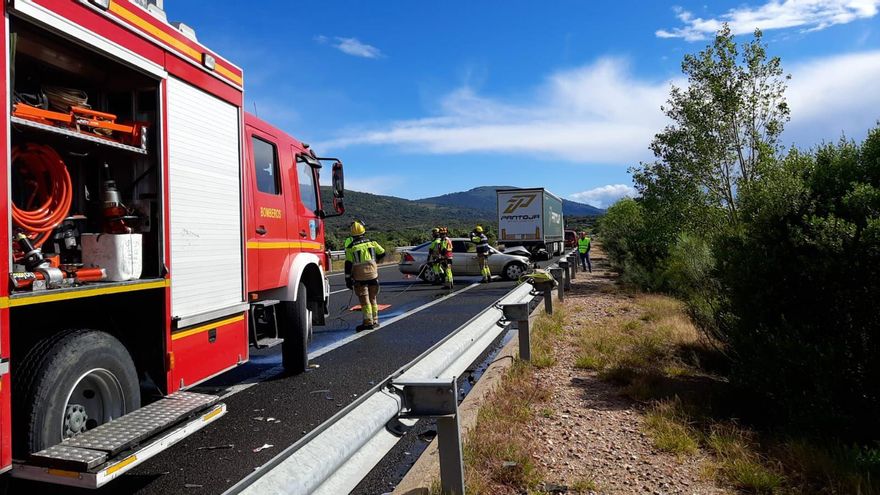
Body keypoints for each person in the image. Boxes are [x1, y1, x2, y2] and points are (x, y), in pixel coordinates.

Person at [344, 221, 386, 331]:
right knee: (373, 298)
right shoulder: (372, 243)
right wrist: (376, 261)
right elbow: (382, 252)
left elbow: (348, 264)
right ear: (363, 230)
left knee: (364, 299)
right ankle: (375, 320)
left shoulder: (351, 247)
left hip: (359, 277)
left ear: (352, 233)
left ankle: (368, 322)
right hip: (373, 275)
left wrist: (348, 278)